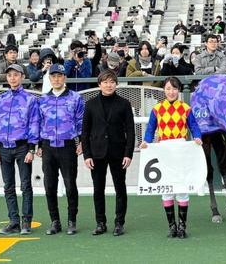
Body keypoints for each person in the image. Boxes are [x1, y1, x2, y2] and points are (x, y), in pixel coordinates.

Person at [140, 77, 202, 238]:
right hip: (164, 151)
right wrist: (146, 142)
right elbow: (150, 129)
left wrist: (197, 137)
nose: (171, 91)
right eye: (168, 88)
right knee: (166, 189)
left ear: (178, 90)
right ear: (164, 90)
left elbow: (194, 127)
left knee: (181, 189)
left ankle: (182, 227)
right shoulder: (157, 109)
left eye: (174, 88)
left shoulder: (186, 108)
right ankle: (172, 226)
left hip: (181, 150)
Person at [81, 70, 135, 237]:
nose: (108, 85)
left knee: (120, 188)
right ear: (99, 84)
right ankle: (100, 222)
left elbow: (131, 131)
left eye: (112, 82)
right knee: (98, 189)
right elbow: (85, 132)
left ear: (116, 83)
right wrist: (87, 155)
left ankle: (119, 222)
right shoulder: (90, 104)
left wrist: (128, 153)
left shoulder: (124, 104)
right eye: (105, 82)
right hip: (96, 153)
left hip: (119, 153)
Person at [0, 64, 40, 235]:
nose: (12, 78)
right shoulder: (0, 100)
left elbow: (34, 124)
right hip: (4, 148)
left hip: (22, 147)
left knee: (25, 185)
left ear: (22, 77)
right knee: (8, 186)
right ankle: (13, 221)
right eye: (10, 75)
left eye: (16, 75)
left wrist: (31, 149)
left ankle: (26, 221)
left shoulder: (30, 100)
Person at [37, 63, 84, 236]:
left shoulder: (75, 98)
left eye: (59, 76)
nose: (56, 79)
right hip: (48, 146)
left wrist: (81, 142)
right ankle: (54, 221)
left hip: (68, 146)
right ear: (49, 78)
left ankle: (72, 220)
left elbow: (80, 122)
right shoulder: (42, 100)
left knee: (70, 184)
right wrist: (38, 145)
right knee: (50, 185)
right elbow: (38, 123)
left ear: (65, 78)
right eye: (53, 76)